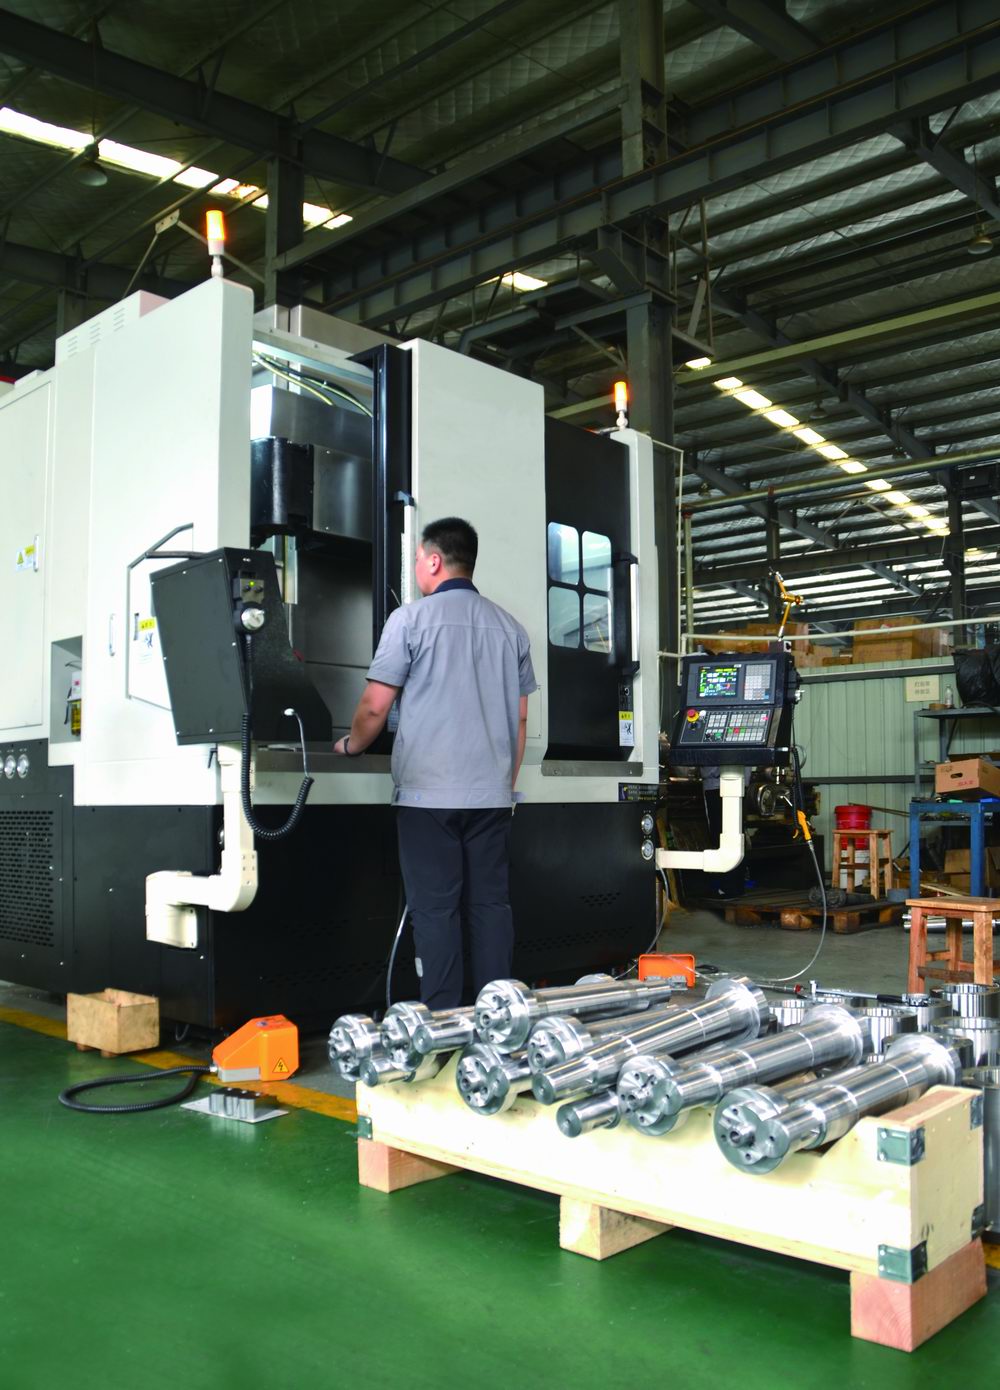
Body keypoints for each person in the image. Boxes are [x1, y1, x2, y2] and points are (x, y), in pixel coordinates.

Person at [333, 517, 536, 1009]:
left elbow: (374, 707)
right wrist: (502, 786)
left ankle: (444, 1020)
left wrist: (352, 746)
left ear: (434, 560)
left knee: (436, 911)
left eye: (418, 560)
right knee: (491, 907)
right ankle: (497, 1016)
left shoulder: (409, 620)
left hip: (427, 800)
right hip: (491, 797)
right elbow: (520, 719)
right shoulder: (511, 629)